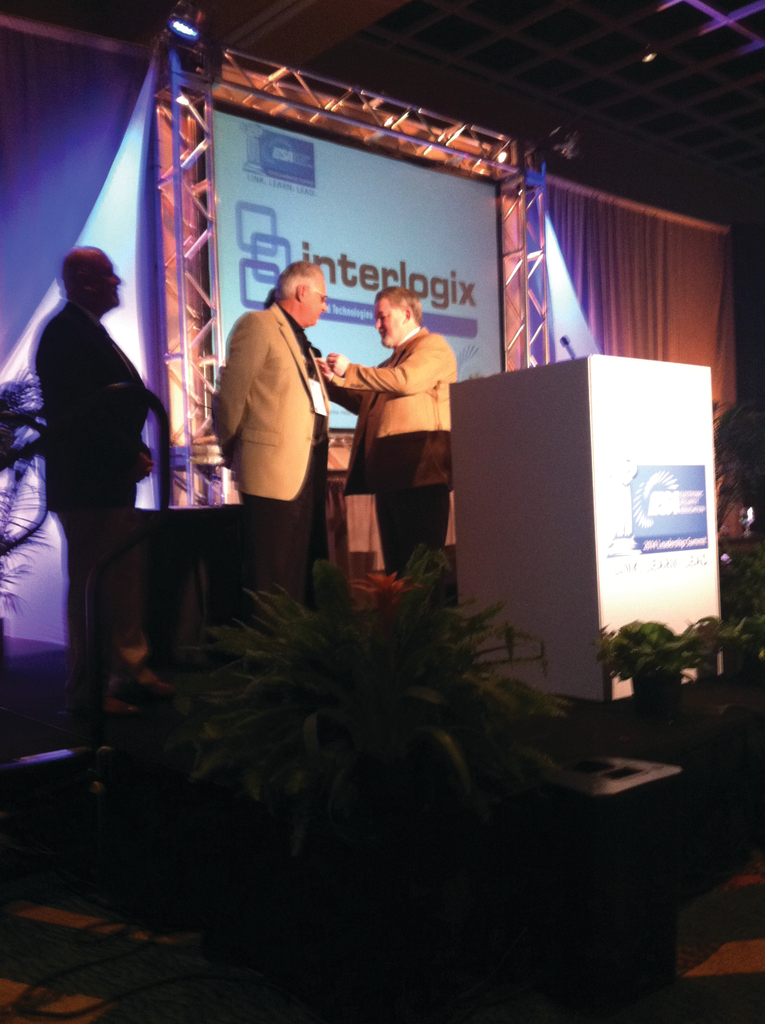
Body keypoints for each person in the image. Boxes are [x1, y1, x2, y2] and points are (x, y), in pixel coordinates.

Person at [35, 247, 173, 715]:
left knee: (119, 581)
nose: (119, 283)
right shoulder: (65, 333)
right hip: (89, 483)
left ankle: (127, 672)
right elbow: (84, 413)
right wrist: (126, 453)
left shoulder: (85, 332)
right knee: (94, 582)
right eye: (108, 276)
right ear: (82, 280)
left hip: (106, 482)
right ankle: (89, 690)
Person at [213, 261, 330, 608]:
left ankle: (291, 652)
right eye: (322, 297)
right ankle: (267, 658)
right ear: (302, 291)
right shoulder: (259, 325)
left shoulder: (303, 342)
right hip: (271, 469)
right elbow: (232, 394)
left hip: (306, 468)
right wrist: (232, 445)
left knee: (295, 572)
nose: (325, 306)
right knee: (271, 575)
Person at [318, 285, 457, 578]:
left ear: (407, 314)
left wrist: (350, 370)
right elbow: (367, 402)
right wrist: (330, 381)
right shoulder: (390, 363)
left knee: (420, 581)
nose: (377, 325)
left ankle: (423, 627)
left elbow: (406, 381)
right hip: (393, 481)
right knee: (397, 580)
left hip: (421, 481)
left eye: (382, 317)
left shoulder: (432, 346)